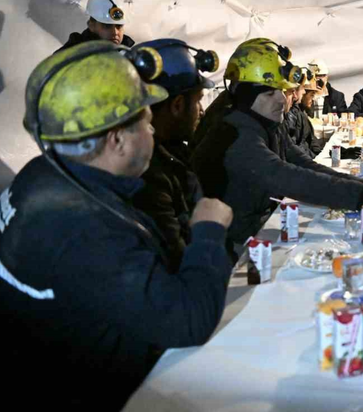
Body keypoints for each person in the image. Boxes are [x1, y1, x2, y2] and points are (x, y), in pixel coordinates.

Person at [0, 41, 234, 409]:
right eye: (145, 120)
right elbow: (188, 320)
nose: (154, 130)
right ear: (117, 139)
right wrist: (208, 231)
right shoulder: (84, 229)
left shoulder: (40, 175)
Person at [192, 39, 363, 261]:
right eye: (269, 93)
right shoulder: (233, 133)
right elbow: (285, 176)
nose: (281, 99)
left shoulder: (264, 122)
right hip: (231, 250)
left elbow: (301, 162)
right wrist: (362, 195)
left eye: (282, 90)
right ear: (245, 97)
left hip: (258, 230)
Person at [132, 39, 219, 273]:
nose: (201, 111)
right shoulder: (148, 174)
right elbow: (178, 265)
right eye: (198, 100)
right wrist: (212, 228)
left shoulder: (173, 153)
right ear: (178, 105)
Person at [56, 0, 135, 53]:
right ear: (91, 25)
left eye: (119, 26)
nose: (115, 32)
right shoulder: (70, 56)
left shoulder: (129, 56)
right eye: (107, 26)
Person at [287, 67, 324, 157]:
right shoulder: (293, 115)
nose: (303, 92)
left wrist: (320, 154)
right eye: (311, 95)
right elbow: (297, 147)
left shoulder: (301, 112)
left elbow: (310, 140)